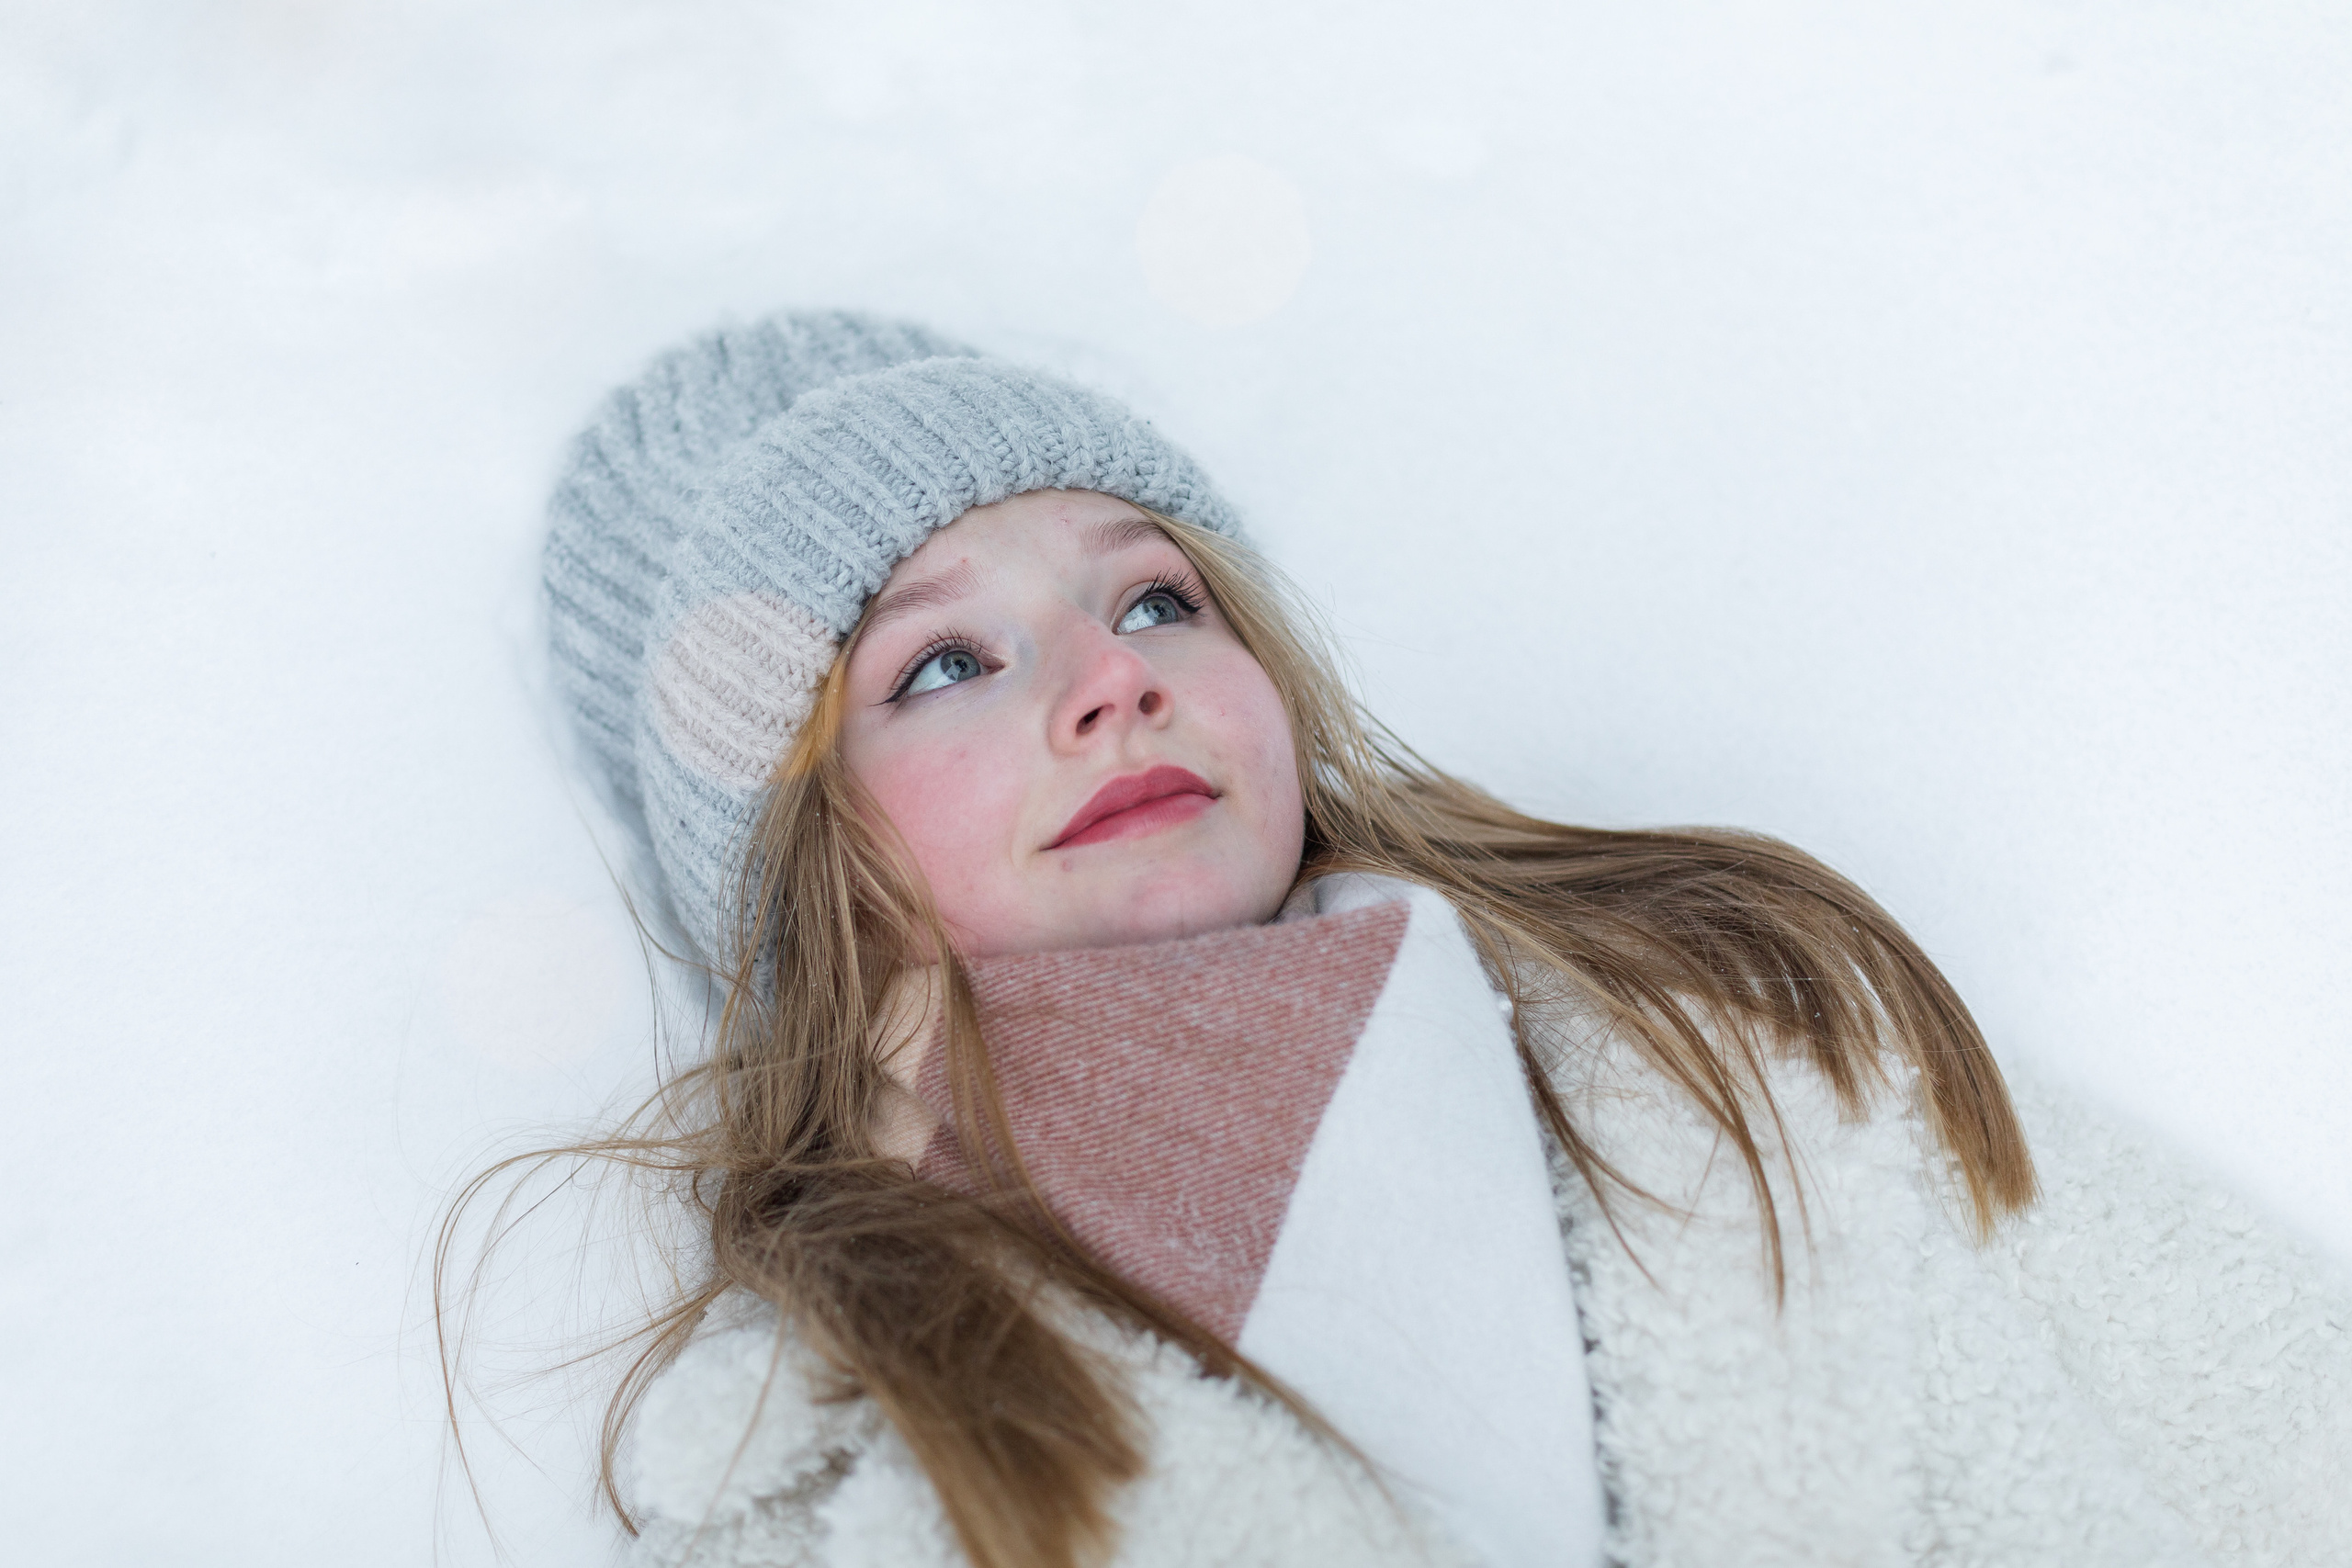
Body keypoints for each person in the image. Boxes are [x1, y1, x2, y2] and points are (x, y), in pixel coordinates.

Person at [499, 310, 2350, 1568]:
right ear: (806, 876)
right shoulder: (792, 1458)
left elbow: (2255, 1404)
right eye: (945, 660)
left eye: (1155, 590)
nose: (1112, 679)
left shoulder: (1711, 1030)